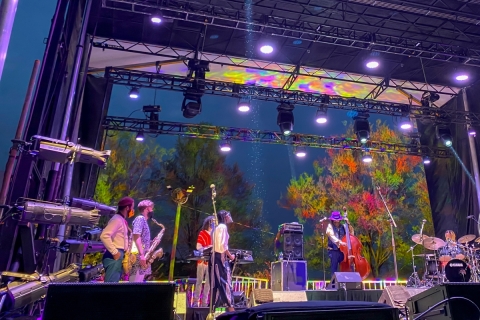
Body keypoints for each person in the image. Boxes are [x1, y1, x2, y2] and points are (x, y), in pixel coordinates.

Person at [100, 197, 134, 282]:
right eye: (132, 207)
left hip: (119, 255)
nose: (133, 210)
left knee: (114, 285)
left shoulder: (121, 220)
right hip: (114, 256)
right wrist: (115, 252)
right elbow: (104, 236)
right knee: (110, 287)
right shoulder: (117, 219)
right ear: (127, 208)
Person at [209, 210, 235, 312]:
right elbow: (223, 246)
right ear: (224, 217)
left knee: (215, 284)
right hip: (220, 258)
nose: (229, 217)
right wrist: (231, 256)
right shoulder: (223, 227)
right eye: (228, 215)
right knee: (225, 283)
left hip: (214, 258)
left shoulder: (215, 229)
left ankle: (212, 311)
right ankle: (232, 310)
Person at [129, 199, 155, 282]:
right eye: (152, 208)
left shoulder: (143, 220)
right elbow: (136, 236)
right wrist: (141, 255)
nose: (152, 210)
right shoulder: (140, 218)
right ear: (147, 208)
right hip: (138, 257)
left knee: (138, 283)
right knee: (134, 284)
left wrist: (150, 242)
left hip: (141, 256)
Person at [193, 216, 214, 307]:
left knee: (208, 283)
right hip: (202, 261)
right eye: (213, 222)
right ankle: (195, 302)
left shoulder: (214, 234)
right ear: (209, 223)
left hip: (210, 262)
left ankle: (204, 303)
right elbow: (198, 247)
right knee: (199, 281)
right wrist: (207, 248)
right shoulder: (202, 233)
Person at [325, 211, 354, 275]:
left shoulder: (343, 226)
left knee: (345, 267)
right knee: (334, 269)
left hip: (343, 251)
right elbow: (332, 237)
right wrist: (340, 242)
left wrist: (348, 223)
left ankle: (346, 281)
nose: (336, 222)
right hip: (333, 250)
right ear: (332, 220)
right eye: (335, 220)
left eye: (337, 220)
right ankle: (333, 284)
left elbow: (351, 234)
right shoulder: (330, 226)